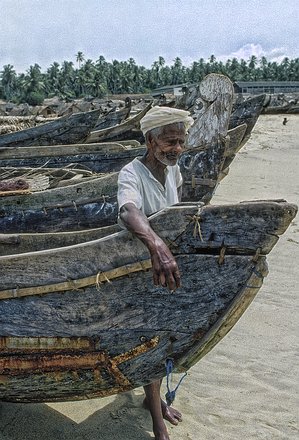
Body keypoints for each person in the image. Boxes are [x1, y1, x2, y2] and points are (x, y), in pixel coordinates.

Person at [117, 106, 194, 440]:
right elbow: (128, 211)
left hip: (164, 269)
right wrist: (157, 245)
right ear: (150, 140)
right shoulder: (130, 173)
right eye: (169, 141)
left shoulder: (173, 172)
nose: (175, 148)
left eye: (180, 141)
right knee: (150, 338)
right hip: (138, 269)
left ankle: (156, 401)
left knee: (164, 337)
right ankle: (157, 418)